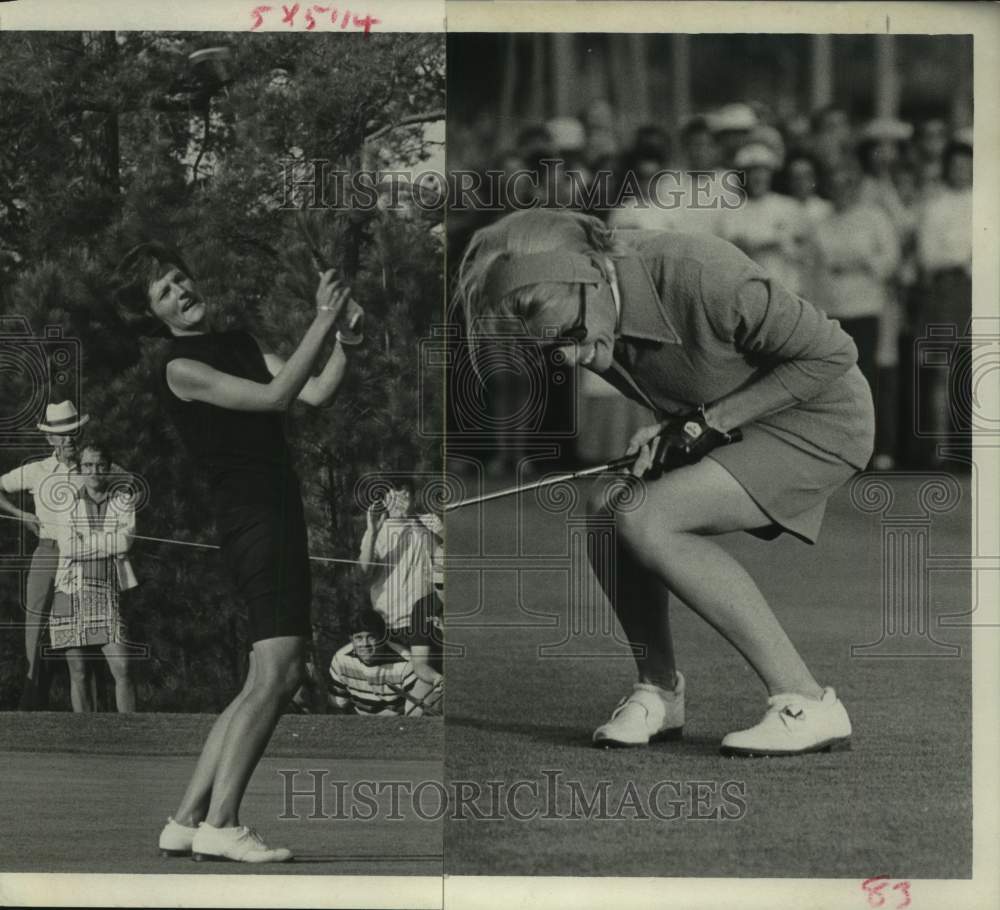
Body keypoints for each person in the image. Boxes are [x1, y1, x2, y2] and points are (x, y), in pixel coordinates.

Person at [455, 209, 874, 757]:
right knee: (608, 503)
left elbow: (833, 353)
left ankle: (808, 701)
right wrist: (674, 426)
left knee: (647, 516)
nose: (572, 358)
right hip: (732, 423)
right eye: (549, 350)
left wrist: (708, 423)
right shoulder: (586, 309)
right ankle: (659, 691)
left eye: (572, 336)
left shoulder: (703, 273)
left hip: (820, 419)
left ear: (594, 274)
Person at [115, 240, 359, 863]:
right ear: (154, 313)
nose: (181, 291)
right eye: (164, 291)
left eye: (180, 278)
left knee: (260, 676)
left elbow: (312, 392)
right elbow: (275, 399)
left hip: (277, 512)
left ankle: (186, 819)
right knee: (282, 672)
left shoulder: (241, 343)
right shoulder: (178, 367)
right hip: (254, 520)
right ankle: (223, 824)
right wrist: (322, 318)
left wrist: (346, 340)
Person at [0, 400, 89, 710]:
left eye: (74, 432)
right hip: (48, 552)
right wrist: (21, 515)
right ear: (50, 438)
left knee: (81, 628)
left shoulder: (94, 468)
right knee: (36, 623)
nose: (69, 439)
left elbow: (125, 491)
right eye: (62, 434)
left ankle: (90, 712)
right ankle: (31, 700)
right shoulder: (37, 470)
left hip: (85, 556)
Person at [812, 157, 900, 467]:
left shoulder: (874, 218)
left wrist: (859, 261)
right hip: (833, 310)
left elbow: (889, 260)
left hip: (867, 308)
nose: (841, 191)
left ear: (856, 187)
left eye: (847, 185)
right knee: (838, 384)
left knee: (868, 378)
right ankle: (845, 453)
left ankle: (879, 450)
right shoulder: (822, 223)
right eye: (835, 185)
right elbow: (820, 267)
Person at [49, 440, 138, 713]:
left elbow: (124, 542)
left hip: (107, 588)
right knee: (78, 671)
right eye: (88, 465)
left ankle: (132, 731)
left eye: (100, 465)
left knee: (122, 667)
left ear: (108, 468)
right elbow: (68, 548)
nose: (94, 471)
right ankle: (84, 733)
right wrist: (106, 541)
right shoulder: (66, 502)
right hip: (69, 589)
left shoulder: (122, 500)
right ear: (80, 469)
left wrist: (87, 541)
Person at [914, 131, 973, 466]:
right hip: (947, 290)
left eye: (966, 165)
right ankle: (941, 448)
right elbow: (928, 256)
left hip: (981, 287)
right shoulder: (935, 206)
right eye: (955, 166)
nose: (961, 171)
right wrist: (961, 259)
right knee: (944, 370)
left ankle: (973, 447)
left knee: (978, 368)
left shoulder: (987, 201)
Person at [358, 478, 444, 692]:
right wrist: (372, 532)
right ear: (385, 500)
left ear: (413, 498)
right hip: (386, 625)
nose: (399, 501)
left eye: (404, 495)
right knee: (394, 692)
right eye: (393, 496)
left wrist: (413, 519)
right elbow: (364, 573)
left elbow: (442, 557)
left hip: (424, 623)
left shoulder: (429, 521)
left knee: (428, 688)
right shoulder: (376, 530)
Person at [720, 142, 812, 296]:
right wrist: (773, 243)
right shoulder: (731, 212)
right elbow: (736, 250)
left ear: (771, 174)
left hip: (787, 290)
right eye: (751, 171)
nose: (757, 177)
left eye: (762, 171)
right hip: (750, 291)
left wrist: (760, 244)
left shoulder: (789, 206)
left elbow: (802, 249)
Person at [328, 608, 441, 716]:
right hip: (359, 720)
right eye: (358, 638)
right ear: (351, 639)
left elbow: (414, 711)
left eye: (371, 637)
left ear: (383, 637)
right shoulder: (341, 659)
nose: (365, 644)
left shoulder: (405, 662)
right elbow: (338, 704)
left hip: (398, 722)